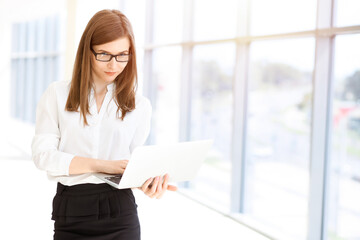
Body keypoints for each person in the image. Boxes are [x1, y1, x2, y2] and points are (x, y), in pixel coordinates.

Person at [31, 9, 177, 240]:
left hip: (120, 212)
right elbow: (43, 157)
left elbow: (129, 167)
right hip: (71, 210)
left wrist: (146, 184)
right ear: (87, 51)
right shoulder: (57, 94)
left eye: (122, 55)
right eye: (104, 54)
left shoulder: (140, 105)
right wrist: (104, 165)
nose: (114, 64)